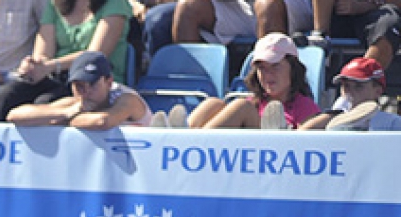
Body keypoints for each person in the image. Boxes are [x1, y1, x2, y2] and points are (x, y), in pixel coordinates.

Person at [0, 0, 135, 121]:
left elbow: (94, 56)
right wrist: (35, 65)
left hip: (93, 80)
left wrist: (51, 66)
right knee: (8, 94)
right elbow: (43, 53)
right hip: (56, 77)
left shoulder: (116, 4)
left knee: (45, 102)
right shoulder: (54, 4)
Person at [187, 32, 320, 128]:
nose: (268, 74)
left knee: (242, 107)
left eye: (275, 66)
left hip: (271, 156)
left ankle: (192, 142)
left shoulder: (304, 106)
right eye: (262, 68)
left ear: (293, 69)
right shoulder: (254, 102)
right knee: (212, 104)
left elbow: (304, 145)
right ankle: (182, 135)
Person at [7, 50, 154, 127]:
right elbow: (14, 116)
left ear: (109, 82)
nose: (86, 91)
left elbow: (103, 122)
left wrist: (63, 119)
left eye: (93, 84)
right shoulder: (73, 105)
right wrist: (64, 113)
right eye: (79, 86)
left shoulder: (128, 99)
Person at [299, 56, 401, 130]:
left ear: (377, 91)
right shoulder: (330, 119)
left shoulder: (393, 124)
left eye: (358, 86)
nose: (350, 92)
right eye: (346, 86)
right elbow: (300, 138)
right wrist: (334, 115)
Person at [305, 0, 400, 71]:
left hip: (377, 13)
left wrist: (365, 5)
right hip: (330, 15)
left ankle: (357, 83)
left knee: (390, 27)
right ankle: (321, 39)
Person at [172, 0, 312, 45]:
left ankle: (267, 92)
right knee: (187, 7)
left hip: (286, 5)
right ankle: (191, 93)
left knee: (267, 5)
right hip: (241, 6)